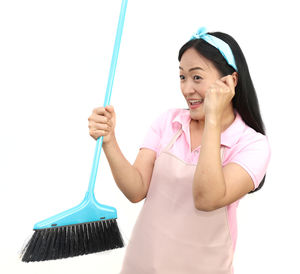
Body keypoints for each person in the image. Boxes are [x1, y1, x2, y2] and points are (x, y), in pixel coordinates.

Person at [88, 27, 271, 274]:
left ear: (230, 82)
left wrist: (212, 120)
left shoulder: (252, 145)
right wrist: (109, 141)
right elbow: (136, 189)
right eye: (182, 77)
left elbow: (208, 198)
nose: (186, 90)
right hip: (142, 266)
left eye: (197, 77)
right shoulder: (168, 122)